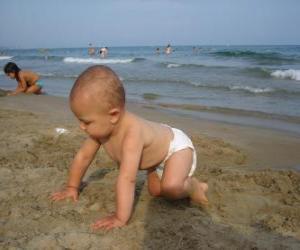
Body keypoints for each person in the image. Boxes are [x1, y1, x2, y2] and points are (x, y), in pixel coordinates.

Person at [51, 65, 208, 231]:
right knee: (156, 192)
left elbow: (128, 179)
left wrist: (120, 217)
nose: (82, 127)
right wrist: (72, 187)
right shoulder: (100, 129)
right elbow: (83, 157)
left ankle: (195, 186)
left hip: (175, 147)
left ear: (113, 115)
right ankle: (159, 171)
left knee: (171, 188)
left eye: (86, 122)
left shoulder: (132, 135)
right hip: (155, 154)